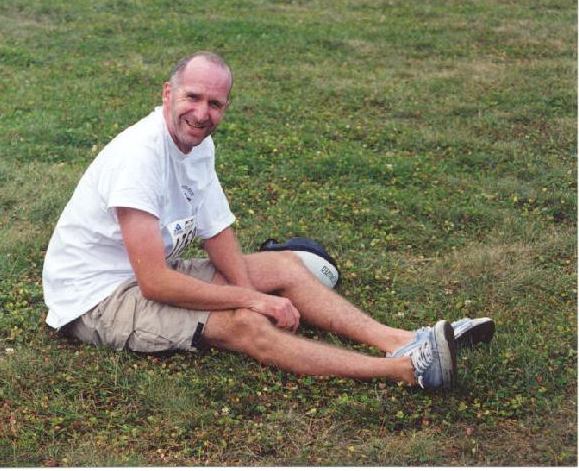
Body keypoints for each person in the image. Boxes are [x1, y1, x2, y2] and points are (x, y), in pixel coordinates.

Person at [42, 51, 493, 389]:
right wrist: (252, 303)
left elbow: (216, 231)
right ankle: (408, 370)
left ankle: (401, 339)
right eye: (192, 97)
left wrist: (254, 293)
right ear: (167, 94)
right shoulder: (139, 156)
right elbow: (156, 283)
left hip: (145, 273)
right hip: (98, 299)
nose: (201, 114)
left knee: (284, 266)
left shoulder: (198, 145)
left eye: (215, 103)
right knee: (247, 325)